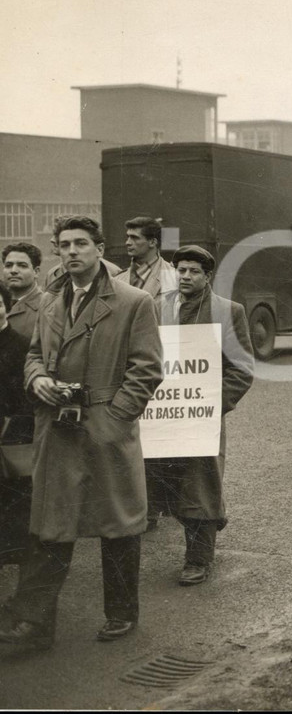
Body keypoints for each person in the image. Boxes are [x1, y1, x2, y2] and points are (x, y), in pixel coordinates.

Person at [0, 216, 162, 649]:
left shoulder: (134, 301)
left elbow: (147, 369)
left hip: (105, 428)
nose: (72, 251)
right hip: (58, 429)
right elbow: (33, 356)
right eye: (64, 244)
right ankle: (33, 625)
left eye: (81, 243)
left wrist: (115, 420)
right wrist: (37, 381)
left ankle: (122, 613)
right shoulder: (52, 302)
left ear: (99, 247)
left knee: (119, 524)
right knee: (51, 525)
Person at [158, 246, 254, 586]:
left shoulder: (228, 311)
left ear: (207, 276)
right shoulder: (157, 307)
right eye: (180, 270)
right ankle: (204, 528)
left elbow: (242, 369)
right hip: (163, 416)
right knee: (166, 482)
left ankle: (198, 559)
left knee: (200, 485)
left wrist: (212, 404)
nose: (185, 276)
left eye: (193, 271)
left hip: (203, 415)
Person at [114, 216, 178, 532]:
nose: (128, 242)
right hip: (128, 368)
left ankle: (161, 503)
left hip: (164, 367)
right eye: (127, 236)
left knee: (163, 440)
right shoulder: (120, 279)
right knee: (137, 440)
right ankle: (145, 506)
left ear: (152, 242)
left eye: (134, 237)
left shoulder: (173, 278)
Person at [0, 280, 34, 567]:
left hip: (10, 437)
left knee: (14, 497)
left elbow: (26, 400)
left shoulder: (22, 345)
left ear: (6, 308)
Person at [2, 243, 43, 341]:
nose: (14, 270)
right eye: (8, 265)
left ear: (36, 272)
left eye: (22, 266)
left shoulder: (47, 306)